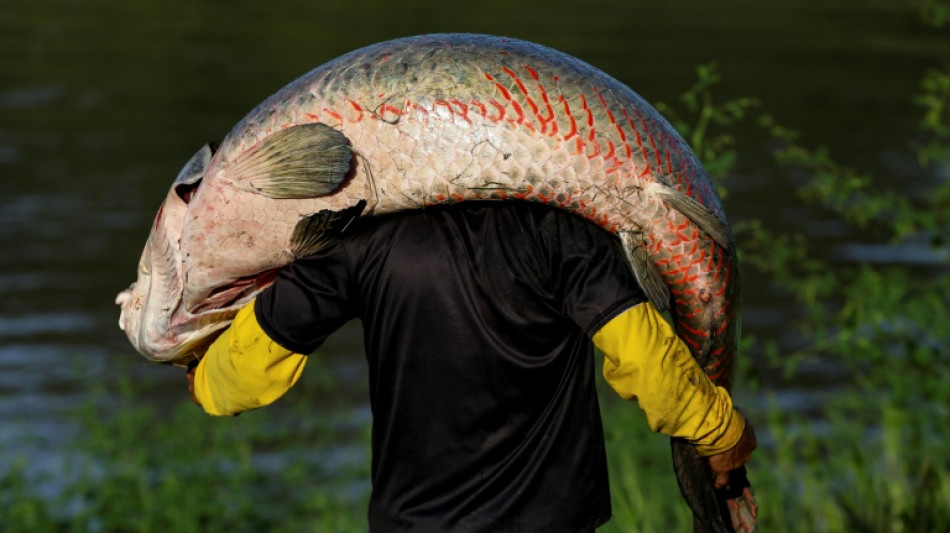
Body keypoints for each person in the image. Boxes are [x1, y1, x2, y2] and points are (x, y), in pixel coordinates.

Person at [186, 201, 755, 532]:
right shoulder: (564, 232)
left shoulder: (356, 239)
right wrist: (722, 434)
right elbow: (647, 362)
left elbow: (232, 384)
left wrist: (202, 376)